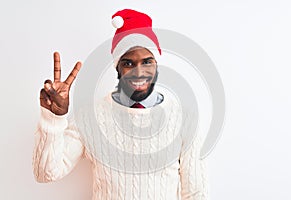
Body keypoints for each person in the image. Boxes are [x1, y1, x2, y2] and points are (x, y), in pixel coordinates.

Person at [33, 9, 209, 200]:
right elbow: (46, 173)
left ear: (156, 65)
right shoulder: (90, 117)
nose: (139, 72)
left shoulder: (184, 118)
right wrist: (53, 119)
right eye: (128, 64)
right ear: (117, 67)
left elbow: (195, 193)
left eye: (147, 61)